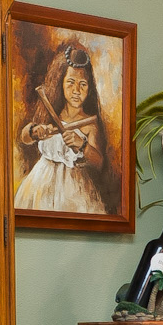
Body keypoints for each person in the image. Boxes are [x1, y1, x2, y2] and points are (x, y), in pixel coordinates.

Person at [17, 41, 115, 215]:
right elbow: (24, 138)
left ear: (89, 88)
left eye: (83, 84)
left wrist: (81, 145)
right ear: (60, 83)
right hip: (40, 186)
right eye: (70, 82)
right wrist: (34, 131)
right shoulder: (49, 115)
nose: (76, 90)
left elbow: (99, 162)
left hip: (74, 190)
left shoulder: (90, 123)